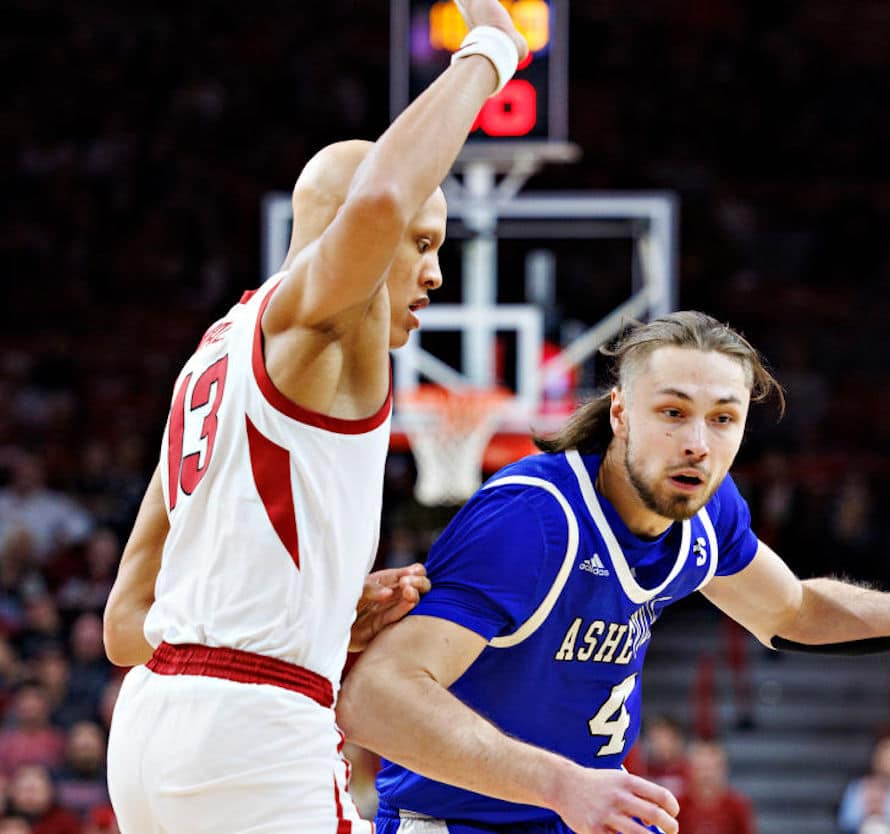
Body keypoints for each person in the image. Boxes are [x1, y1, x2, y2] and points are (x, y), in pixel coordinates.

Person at [336, 311, 890, 834]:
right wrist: (560, 784)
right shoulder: (533, 520)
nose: (698, 442)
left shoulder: (706, 513)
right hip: (463, 821)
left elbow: (790, 612)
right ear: (621, 413)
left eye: (723, 419)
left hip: (586, 817)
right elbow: (373, 699)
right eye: (673, 412)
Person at [101, 2, 529, 831]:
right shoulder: (315, 327)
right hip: (254, 728)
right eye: (423, 242)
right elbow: (375, 205)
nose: (434, 274)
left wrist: (321, 614)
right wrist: (490, 53)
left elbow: (126, 627)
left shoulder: (211, 360)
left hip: (151, 726)